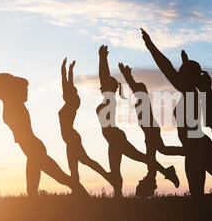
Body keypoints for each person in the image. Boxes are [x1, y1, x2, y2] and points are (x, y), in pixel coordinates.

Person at [0, 55, 88, 197]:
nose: (26, 93)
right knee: (48, 184)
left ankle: (85, 199)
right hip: (32, 149)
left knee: (60, 179)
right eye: (24, 89)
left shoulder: (14, 103)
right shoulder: (11, 101)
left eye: (26, 90)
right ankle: (83, 198)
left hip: (33, 149)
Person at [142, 29, 212, 197]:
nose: (176, 76)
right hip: (197, 149)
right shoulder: (191, 92)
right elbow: (172, 72)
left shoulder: (190, 94)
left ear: (187, 77)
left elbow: (167, 69)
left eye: (181, 73)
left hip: (198, 150)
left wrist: (151, 47)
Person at [96, 45, 178, 197]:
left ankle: (167, 172)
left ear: (109, 87)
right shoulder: (109, 98)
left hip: (116, 137)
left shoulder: (109, 98)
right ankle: (118, 195)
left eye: (105, 84)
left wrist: (102, 59)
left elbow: (104, 76)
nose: (102, 85)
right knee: (118, 170)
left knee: (143, 159)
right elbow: (105, 79)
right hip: (113, 139)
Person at [119, 63, 182, 197]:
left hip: (151, 131)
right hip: (150, 131)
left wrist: (127, 76)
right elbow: (134, 87)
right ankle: (165, 172)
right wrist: (127, 75)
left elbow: (134, 87)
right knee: (160, 152)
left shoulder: (143, 99)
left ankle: (168, 170)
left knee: (151, 158)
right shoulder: (142, 99)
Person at [58, 58, 116, 191]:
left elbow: (66, 85)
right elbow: (67, 86)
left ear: (70, 95)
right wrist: (69, 70)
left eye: (66, 92)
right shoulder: (70, 104)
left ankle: (108, 177)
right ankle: (78, 192)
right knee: (76, 167)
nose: (63, 93)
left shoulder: (71, 105)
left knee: (84, 161)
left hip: (72, 138)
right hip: (70, 140)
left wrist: (64, 71)